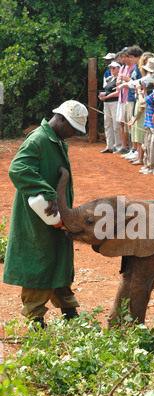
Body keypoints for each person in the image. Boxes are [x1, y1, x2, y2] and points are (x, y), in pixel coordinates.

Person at [2, 100, 88, 329]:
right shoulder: (39, 139)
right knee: (39, 262)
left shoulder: (56, 140)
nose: (73, 134)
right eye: (72, 128)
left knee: (58, 258)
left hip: (55, 214)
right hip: (37, 217)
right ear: (60, 119)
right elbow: (17, 169)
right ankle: (35, 319)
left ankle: (70, 312)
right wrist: (46, 191)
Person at [99, 61, 122, 154]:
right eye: (111, 68)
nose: (112, 70)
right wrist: (102, 96)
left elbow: (118, 93)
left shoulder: (119, 79)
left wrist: (107, 97)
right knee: (108, 124)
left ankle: (118, 146)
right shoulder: (109, 79)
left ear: (119, 69)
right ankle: (109, 146)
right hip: (107, 103)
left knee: (116, 125)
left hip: (115, 103)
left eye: (114, 68)